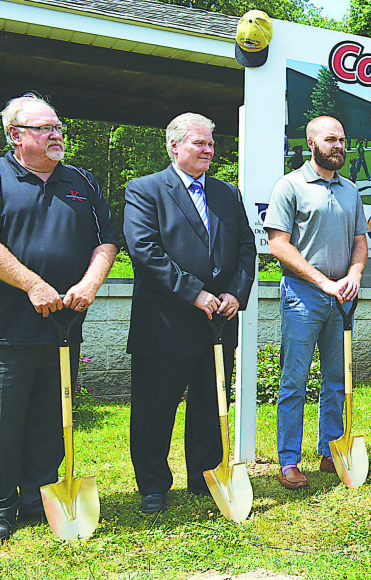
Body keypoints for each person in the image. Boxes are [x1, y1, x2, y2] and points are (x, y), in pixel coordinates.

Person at [0, 93, 118, 547]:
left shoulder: (82, 182)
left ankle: (37, 499)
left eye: (58, 128)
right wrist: (32, 284)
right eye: (45, 128)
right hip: (0, 332)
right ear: (16, 135)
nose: (57, 136)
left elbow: (107, 242)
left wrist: (90, 284)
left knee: (52, 423)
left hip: (63, 331)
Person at [124, 113, 255, 514]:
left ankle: (205, 477)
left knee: (210, 402)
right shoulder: (145, 190)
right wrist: (194, 293)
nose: (208, 150)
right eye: (200, 143)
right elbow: (144, 251)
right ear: (174, 146)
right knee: (155, 408)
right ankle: (153, 486)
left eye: (211, 144)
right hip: (165, 323)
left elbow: (246, 250)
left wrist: (235, 293)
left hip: (217, 324)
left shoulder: (226, 193)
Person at [264, 116, 367, 488]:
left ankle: (330, 451)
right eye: (330, 140)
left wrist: (354, 275)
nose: (339, 146)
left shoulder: (350, 190)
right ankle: (289, 460)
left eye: (342, 140)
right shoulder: (290, 186)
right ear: (311, 143)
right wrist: (323, 282)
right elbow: (278, 244)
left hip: (342, 297)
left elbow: (360, 242)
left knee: (337, 380)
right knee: (294, 380)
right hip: (303, 295)